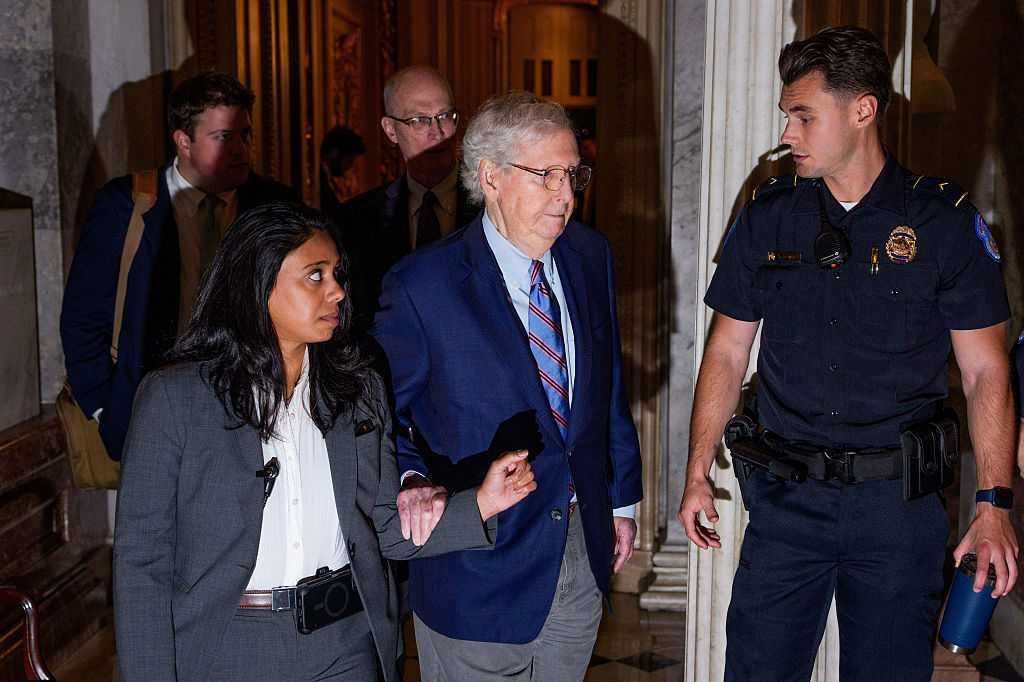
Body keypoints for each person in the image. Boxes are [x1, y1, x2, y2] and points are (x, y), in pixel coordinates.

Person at [677, 26, 1019, 681]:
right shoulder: (769, 214)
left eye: (804, 116)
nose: (788, 133)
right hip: (787, 502)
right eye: (787, 116)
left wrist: (993, 505)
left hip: (897, 508)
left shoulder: (943, 224)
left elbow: (985, 372)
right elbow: (726, 351)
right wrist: (696, 470)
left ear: (862, 110)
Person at [113, 202, 537, 681]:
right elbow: (142, 562)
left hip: (345, 645)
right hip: (227, 646)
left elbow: (382, 526)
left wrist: (481, 503)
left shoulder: (357, 390)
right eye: (314, 276)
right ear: (258, 283)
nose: (336, 290)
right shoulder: (176, 399)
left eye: (336, 275)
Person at [371, 91, 643, 681]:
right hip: (477, 568)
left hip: (578, 553)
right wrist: (413, 480)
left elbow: (606, 387)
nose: (565, 195)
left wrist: (620, 500)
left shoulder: (589, 254)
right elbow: (379, 416)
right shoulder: (422, 285)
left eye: (573, 174)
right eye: (546, 175)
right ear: (490, 176)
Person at [61, 71, 296, 461]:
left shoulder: (275, 205)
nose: (241, 149)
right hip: (150, 410)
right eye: (223, 137)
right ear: (183, 141)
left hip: (253, 413)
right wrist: (105, 408)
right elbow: (83, 315)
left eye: (245, 135)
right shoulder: (126, 205)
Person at [337, 65, 477, 330]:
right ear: (390, 130)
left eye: (445, 116)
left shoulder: (492, 206)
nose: (437, 132)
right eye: (419, 120)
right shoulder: (355, 221)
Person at [319, 125, 366, 221]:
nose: (349, 167)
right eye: (349, 161)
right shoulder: (317, 181)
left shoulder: (333, 180)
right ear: (334, 153)